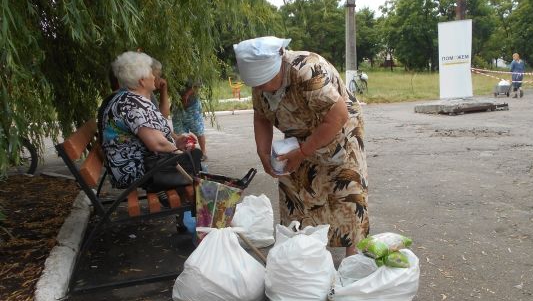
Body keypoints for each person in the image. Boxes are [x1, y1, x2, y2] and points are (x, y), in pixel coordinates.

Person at [233, 36, 369, 256]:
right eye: (256, 85)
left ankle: (352, 255)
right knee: (298, 186)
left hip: (339, 130)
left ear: (277, 67)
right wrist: (263, 152)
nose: (261, 89)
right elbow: (261, 117)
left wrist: (304, 151)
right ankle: (303, 250)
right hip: (298, 135)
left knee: (344, 186)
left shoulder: (306, 71)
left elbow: (337, 116)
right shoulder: (260, 86)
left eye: (264, 82)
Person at [98, 51, 201, 191]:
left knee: (193, 159)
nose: (154, 77)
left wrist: (178, 143)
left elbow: (156, 139)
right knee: (194, 159)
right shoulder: (132, 104)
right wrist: (180, 153)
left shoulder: (129, 99)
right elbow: (157, 144)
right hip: (134, 172)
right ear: (142, 80)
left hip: (140, 165)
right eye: (151, 73)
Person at [172, 79, 208, 161]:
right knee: (179, 132)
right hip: (178, 106)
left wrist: (187, 94)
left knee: (198, 130)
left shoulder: (193, 74)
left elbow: (198, 84)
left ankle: (203, 152)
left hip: (192, 106)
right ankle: (184, 154)